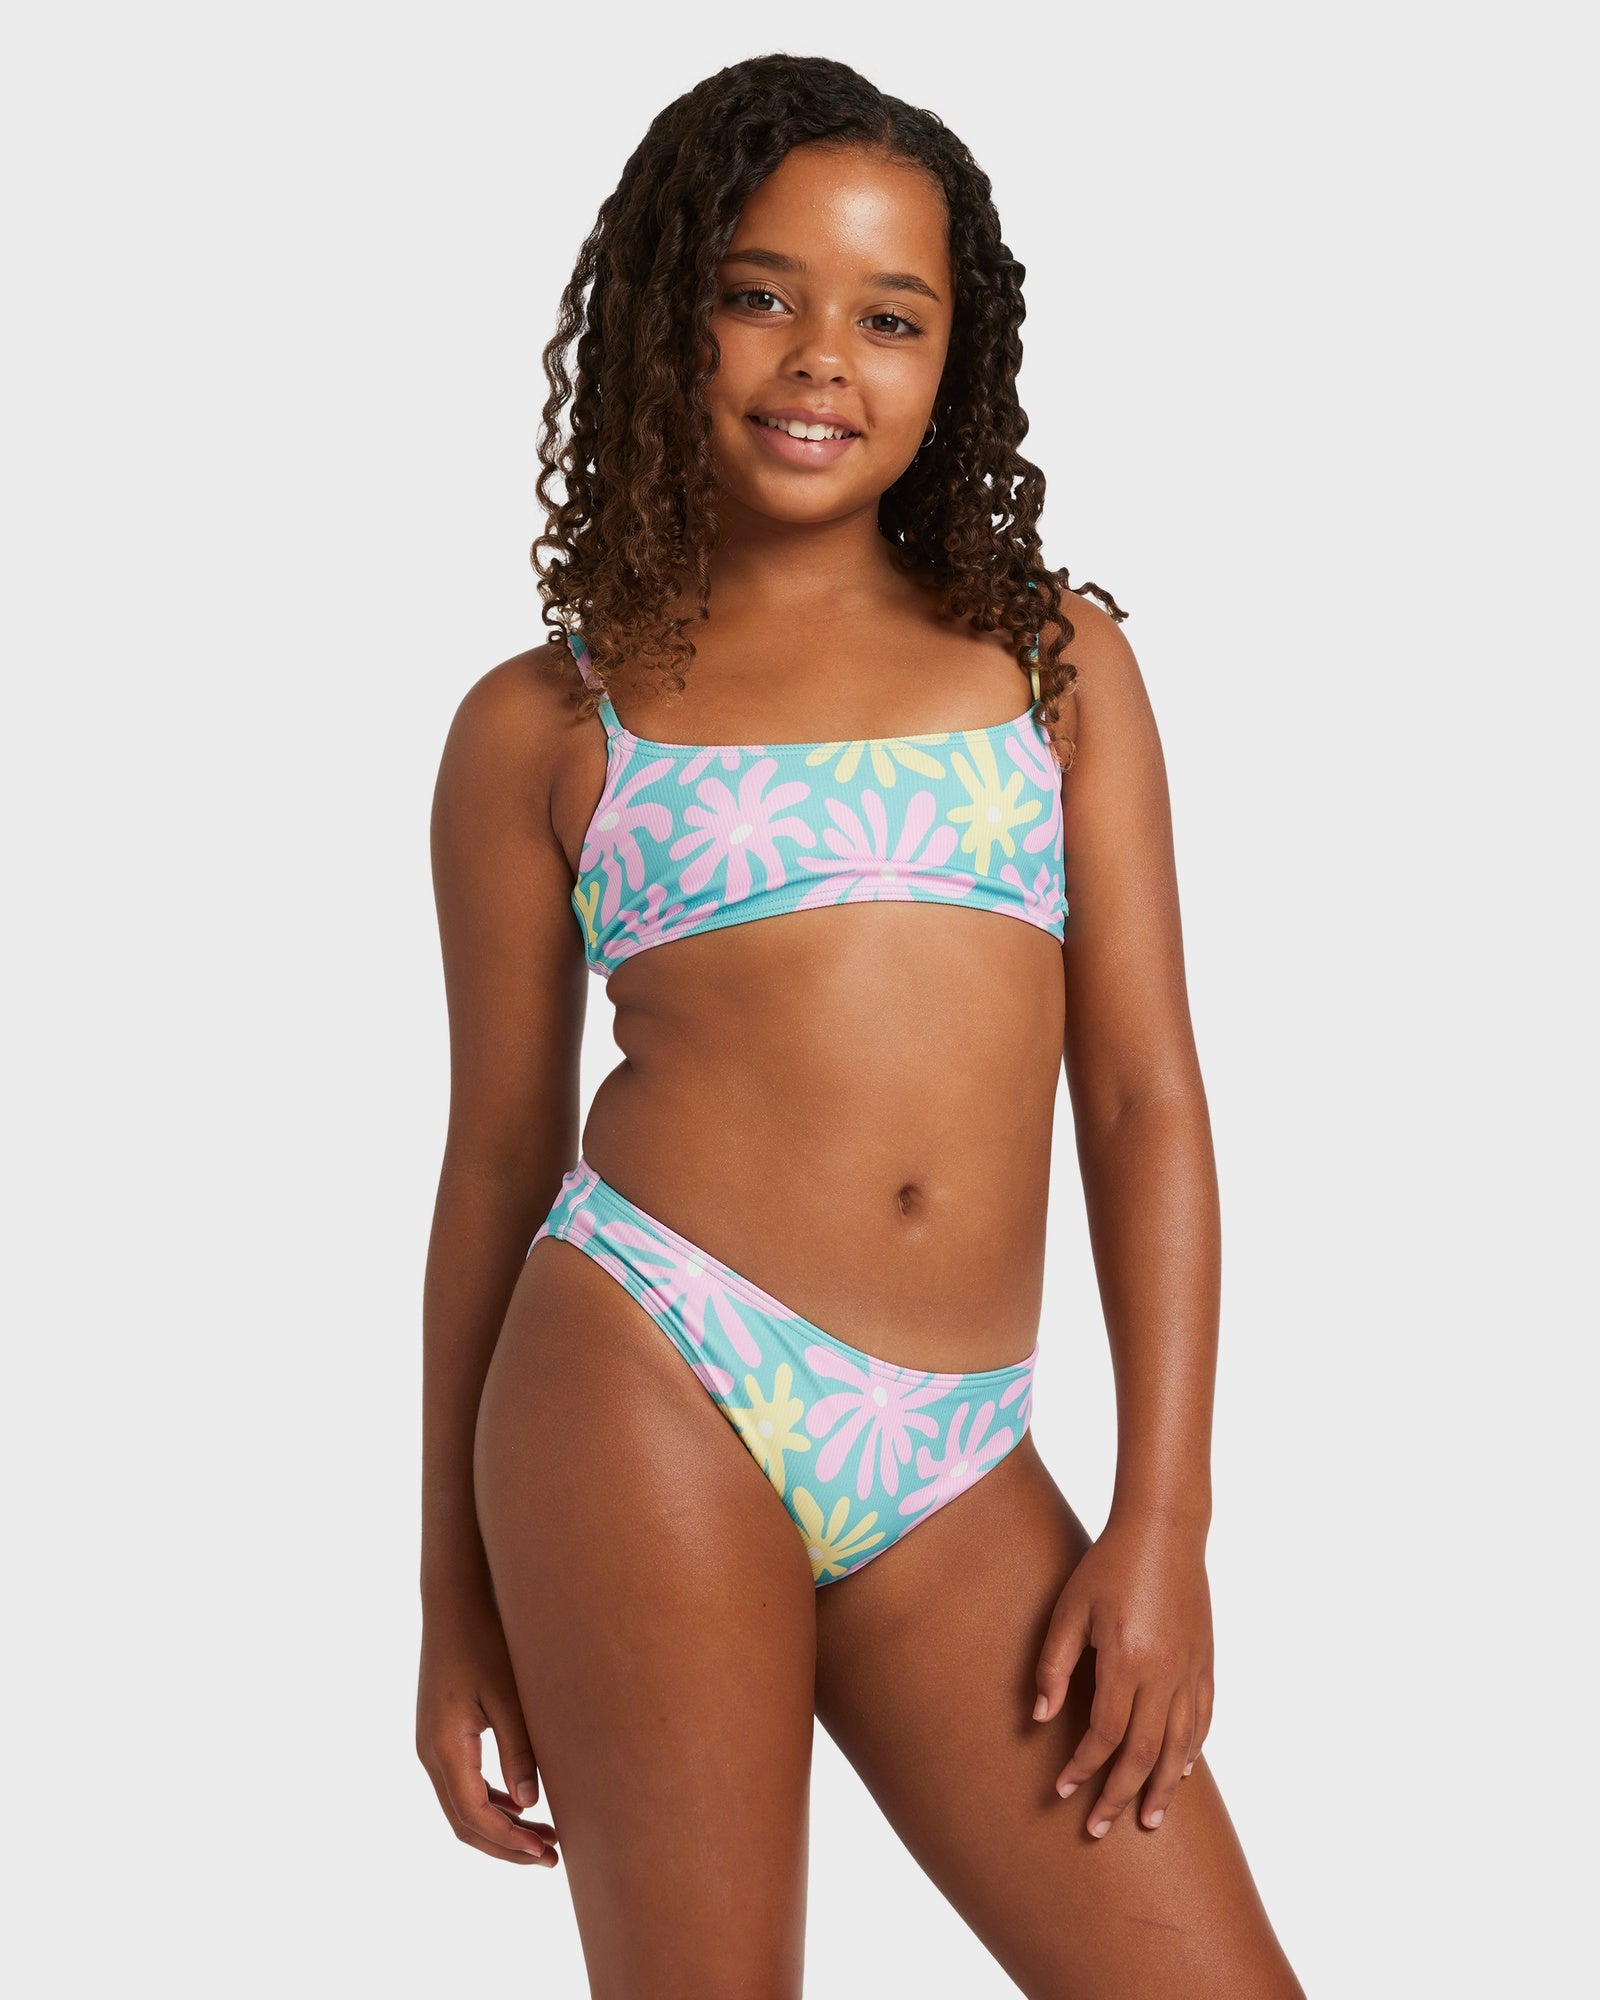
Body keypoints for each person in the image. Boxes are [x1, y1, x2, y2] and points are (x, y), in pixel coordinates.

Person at [416, 51, 1304, 2000]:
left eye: (889, 316)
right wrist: (450, 1591)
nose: (821, 356)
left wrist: (1162, 1519)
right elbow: (494, 1159)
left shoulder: (1052, 667)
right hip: (646, 1375)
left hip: (953, 1460)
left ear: (952, 361)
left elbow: (1142, 1096)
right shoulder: (547, 725)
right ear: (664, 316)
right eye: (760, 293)